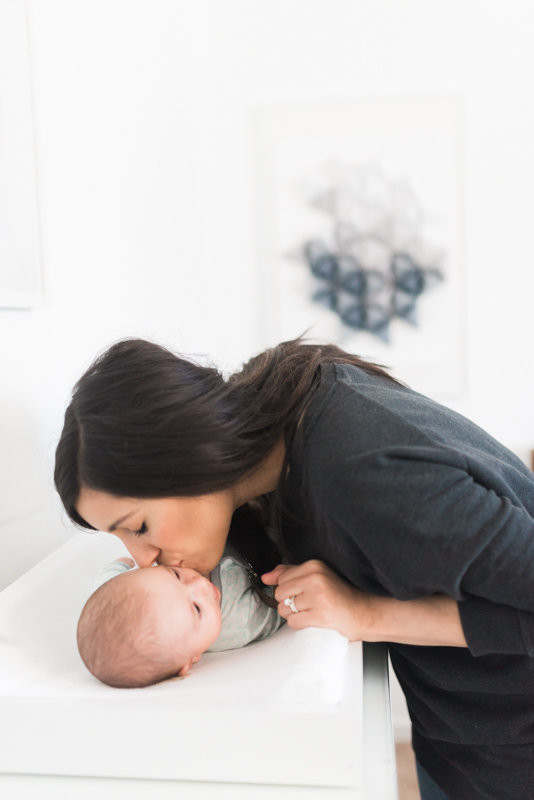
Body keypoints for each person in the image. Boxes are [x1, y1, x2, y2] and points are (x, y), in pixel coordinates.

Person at [55, 337, 534, 800]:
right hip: (459, 734)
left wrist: (366, 615)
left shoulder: (366, 477)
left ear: (179, 456)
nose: (143, 560)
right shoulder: (285, 403)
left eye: (138, 526)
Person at [77, 546, 285, 688]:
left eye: (176, 575)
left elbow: (110, 580)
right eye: (197, 609)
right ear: (190, 661)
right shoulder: (240, 623)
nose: (200, 585)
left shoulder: (126, 588)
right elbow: (281, 604)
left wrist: (120, 565)